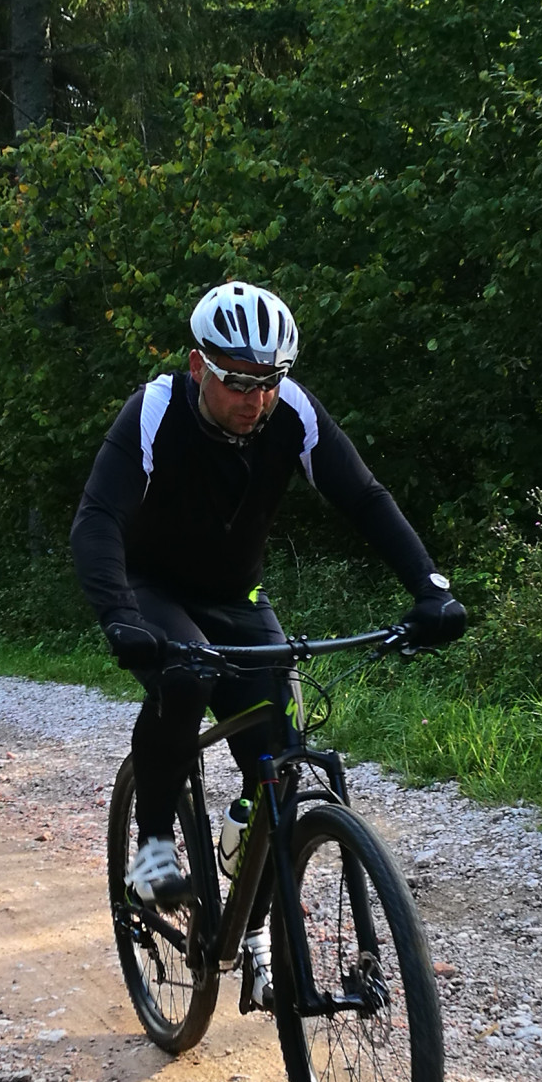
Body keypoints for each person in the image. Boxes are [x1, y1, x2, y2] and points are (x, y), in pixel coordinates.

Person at [70, 279, 466, 1004]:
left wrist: (429, 586)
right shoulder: (155, 410)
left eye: (270, 382)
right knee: (184, 679)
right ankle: (153, 850)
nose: (256, 400)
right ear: (199, 366)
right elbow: (98, 518)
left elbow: (364, 497)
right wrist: (119, 616)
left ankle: (249, 927)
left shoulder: (295, 414)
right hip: (154, 589)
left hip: (236, 597)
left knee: (281, 757)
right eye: (239, 382)